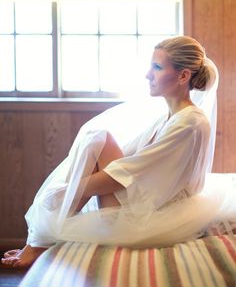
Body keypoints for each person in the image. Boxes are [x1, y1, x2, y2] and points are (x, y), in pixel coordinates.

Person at [2, 36, 235, 268]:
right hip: (144, 198)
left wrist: (69, 190)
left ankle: (40, 242)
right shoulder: (171, 116)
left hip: (151, 215)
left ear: (184, 76)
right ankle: (40, 241)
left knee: (97, 140)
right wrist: (71, 189)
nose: (147, 75)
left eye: (157, 67)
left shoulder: (190, 123)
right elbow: (129, 161)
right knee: (96, 139)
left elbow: (125, 174)